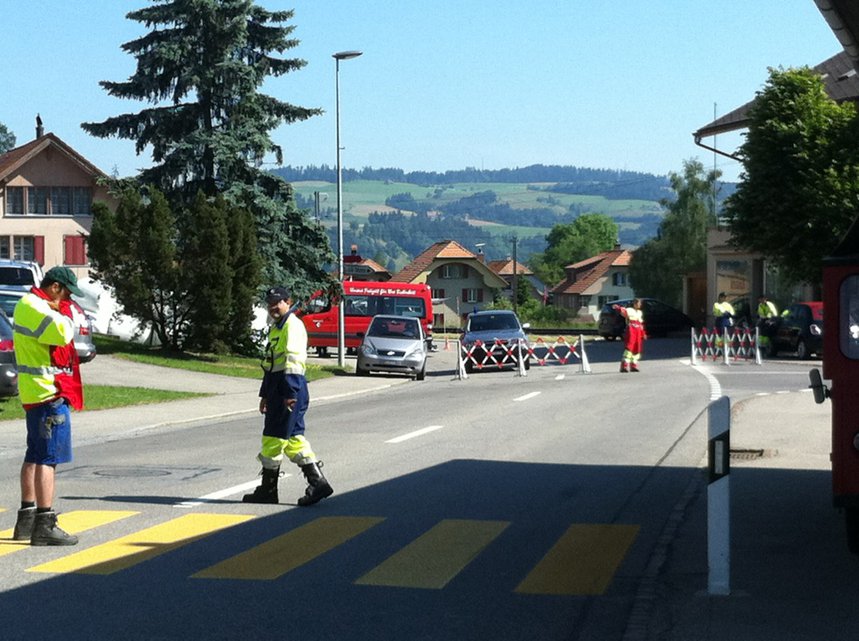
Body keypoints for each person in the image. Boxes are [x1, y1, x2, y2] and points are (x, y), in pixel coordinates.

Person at [11, 266, 84, 546]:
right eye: (65, 294)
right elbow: (63, 333)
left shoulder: (28, 304)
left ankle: (26, 519)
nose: (67, 300)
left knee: (35, 454)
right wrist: (65, 312)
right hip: (48, 392)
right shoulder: (34, 306)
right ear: (54, 287)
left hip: (36, 392)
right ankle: (45, 522)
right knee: (47, 459)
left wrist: (59, 307)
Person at [243, 286, 334, 506]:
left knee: (273, 438)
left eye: (278, 302)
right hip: (278, 388)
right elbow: (271, 363)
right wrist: (265, 394)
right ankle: (318, 482)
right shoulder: (276, 328)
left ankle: (268, 490)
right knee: (293, 439)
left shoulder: (292, 326)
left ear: (288, 302)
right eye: (270, 303)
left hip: (288, 388)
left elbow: (293, 361)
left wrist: (290, 393)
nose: (273, 307)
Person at [613, 298, 646, 373]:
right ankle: (624, 366)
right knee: (629, 348)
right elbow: (623, 311)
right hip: (631, 331)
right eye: (638, 303)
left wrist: (643, 333)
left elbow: (640, 324)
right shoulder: (630, 310)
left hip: (638, 332)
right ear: (634, 304)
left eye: (640, 303)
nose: (639, 305)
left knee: (637, 348)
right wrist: (618, 308)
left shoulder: (639, 312)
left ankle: (633, 366)